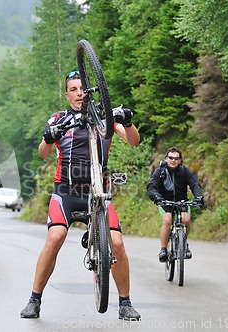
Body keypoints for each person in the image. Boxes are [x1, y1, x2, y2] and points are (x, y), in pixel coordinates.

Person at [20, 70, 141, 321]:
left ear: (89, 92)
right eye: (73, 90)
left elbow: (134, 141)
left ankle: (126, 303)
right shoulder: (59, 118)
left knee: (117, 244)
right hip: (66, 191)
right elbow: (43, 152)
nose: (78, 94)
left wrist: (128, 122)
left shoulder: (103, 117)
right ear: (67, 95)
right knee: (56, 237)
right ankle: (34, 299)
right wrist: (48, 137)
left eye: (82, 89)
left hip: (98, 192)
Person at [146, 147, 203, 263]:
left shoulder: (184, 171)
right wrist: (157, 197)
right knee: (167, 220)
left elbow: (194, 185)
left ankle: (183, 243)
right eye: (171, 158)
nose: (173, 160)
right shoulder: (160, 171)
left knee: (186, 219)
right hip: (164, 201)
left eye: (176, 158)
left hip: (182, 201)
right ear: (166, 158)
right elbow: (151, 187)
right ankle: (163, 249)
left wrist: (198, 197)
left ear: (180, 160)